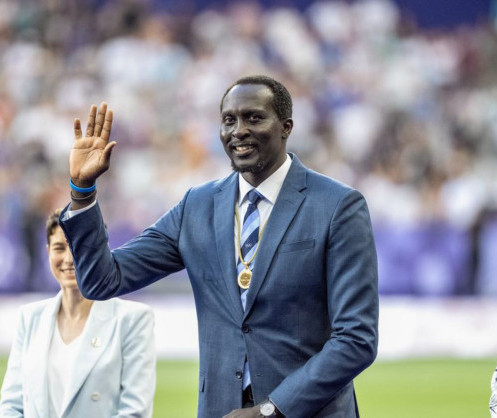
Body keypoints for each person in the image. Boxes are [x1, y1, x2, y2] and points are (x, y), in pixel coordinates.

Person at [59, 75, 378, 417]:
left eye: (254, 118)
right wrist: (82, 191)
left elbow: (356, 339)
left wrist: (270, 411)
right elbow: (103, 280)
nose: (238, 131)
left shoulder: (337, 205)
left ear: (286, 127)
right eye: (229, 120)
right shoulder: (197, 206)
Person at [0, 209, 156, 418]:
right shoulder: (30, 318)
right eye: (59, 248)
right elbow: (11, 406)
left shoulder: (132, 319)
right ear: (47, 252)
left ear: (100, 253)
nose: (69, 258)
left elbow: (134, 411)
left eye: (79, 247)